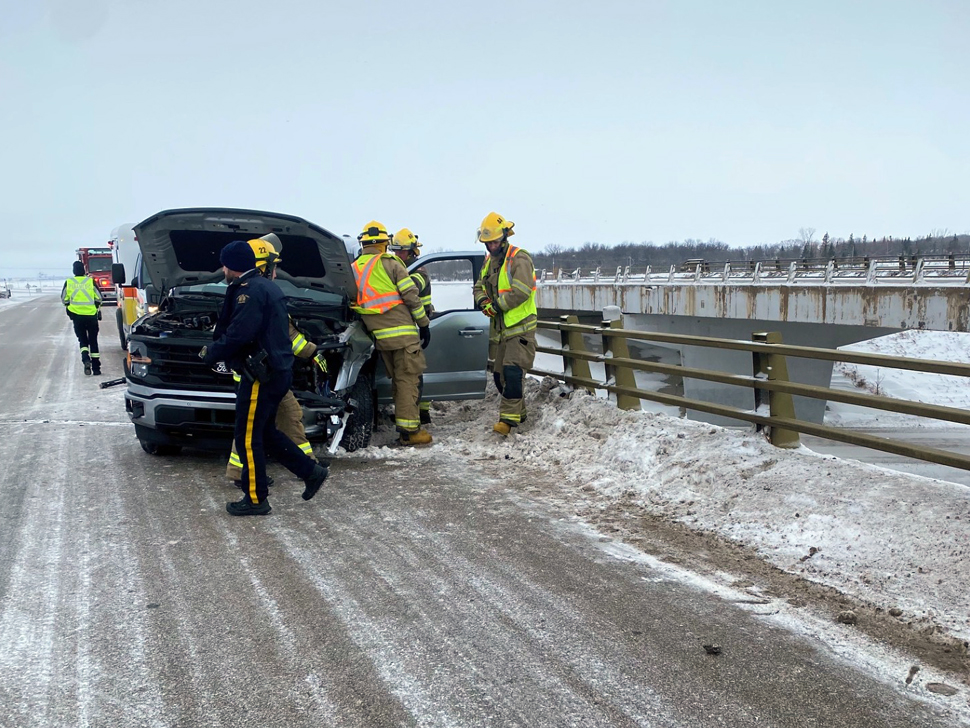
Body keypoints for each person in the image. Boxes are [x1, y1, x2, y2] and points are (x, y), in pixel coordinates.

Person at [202, 240, 329, 516]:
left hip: (260, 375)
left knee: (247, 436)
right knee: (264, 433)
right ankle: (310, 472)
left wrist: (212, 352)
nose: (223, 269)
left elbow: (240, 332)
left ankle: (256, 498)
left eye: (225, 264)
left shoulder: (250, 291)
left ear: (233, 266)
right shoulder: (265, 286)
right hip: (275, 372)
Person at [224, 234, 324, 486]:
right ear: (261, 267)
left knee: (260, 424)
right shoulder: (259, 294)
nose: (276, 274)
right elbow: (287, 337)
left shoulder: (249, 292)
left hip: (259, 374)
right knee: (264, 423)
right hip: (260, 375)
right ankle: (305, 469)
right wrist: (313, 351)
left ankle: (307, 467)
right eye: (273, 267)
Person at [352, 221, 432, 445]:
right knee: (408, 381)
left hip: (378, 337)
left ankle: (406, 424)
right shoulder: (391, 263)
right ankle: (410, 433)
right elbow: (411, 296)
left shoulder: (353, 268)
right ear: (384, 245)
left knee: (399, 380)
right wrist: (424, 323)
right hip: (403, 333)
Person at [472, 212, 537, 436]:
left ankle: (507, 421)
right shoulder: (489, 262)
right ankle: (520, 413)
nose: (491, 246)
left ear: (505, 238)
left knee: (512, 372)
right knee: (500, 377)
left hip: (520, 328)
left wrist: (497, 306)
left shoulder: (519, 259)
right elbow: (478, 287)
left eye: (494, 242)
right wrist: (484, 304)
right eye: (487, 243)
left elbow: (521, 291)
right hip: (502, 330)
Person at [390, 227, 434, 425]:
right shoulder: (402, 269)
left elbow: (409, 289)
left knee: (414, 374)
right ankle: (419, 412)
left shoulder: (418, 271)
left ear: (412, 252)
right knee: (414, 373)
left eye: (402, 251)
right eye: (395, 251)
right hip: (410, 326)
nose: (398, 255)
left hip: (416, 326)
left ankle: (420, 413)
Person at [61, 260, 103, 375]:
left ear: (74, 271)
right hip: (91, 316)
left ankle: (85, 359)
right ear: (84, 270)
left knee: (82, 340)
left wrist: (70, 308)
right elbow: (99, 297)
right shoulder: (90, 281)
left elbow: (64, 299)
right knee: (93, 340)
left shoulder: (69, 282)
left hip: (77, 317)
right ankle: (96, 368)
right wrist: (96, 306)